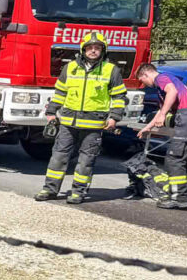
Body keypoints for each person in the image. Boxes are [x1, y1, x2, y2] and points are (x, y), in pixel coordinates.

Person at [35, 31, 127, 204]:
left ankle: (78, 192)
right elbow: (60, 92)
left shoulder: (111, 70)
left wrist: (114, 117)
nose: (93, 51)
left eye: (97, 48)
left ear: (103, 50)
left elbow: (119, 97)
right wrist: (51, 112)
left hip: (94, 125)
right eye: (89, 48)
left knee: (86, 160)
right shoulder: (70, 67)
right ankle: (49, 189)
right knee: (58, 157)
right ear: (83, 50)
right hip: (68, 122)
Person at [134, 63, 187, 209]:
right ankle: (181, 195)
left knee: (174, 159)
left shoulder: (161, 78)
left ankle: (179, 198)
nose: (145, 85)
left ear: (146, 74)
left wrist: (164, 114)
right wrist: (148, 128)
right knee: (180, 159)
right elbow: (161, 111)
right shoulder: (165, 83)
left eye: (143, 81)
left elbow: (172, 92)